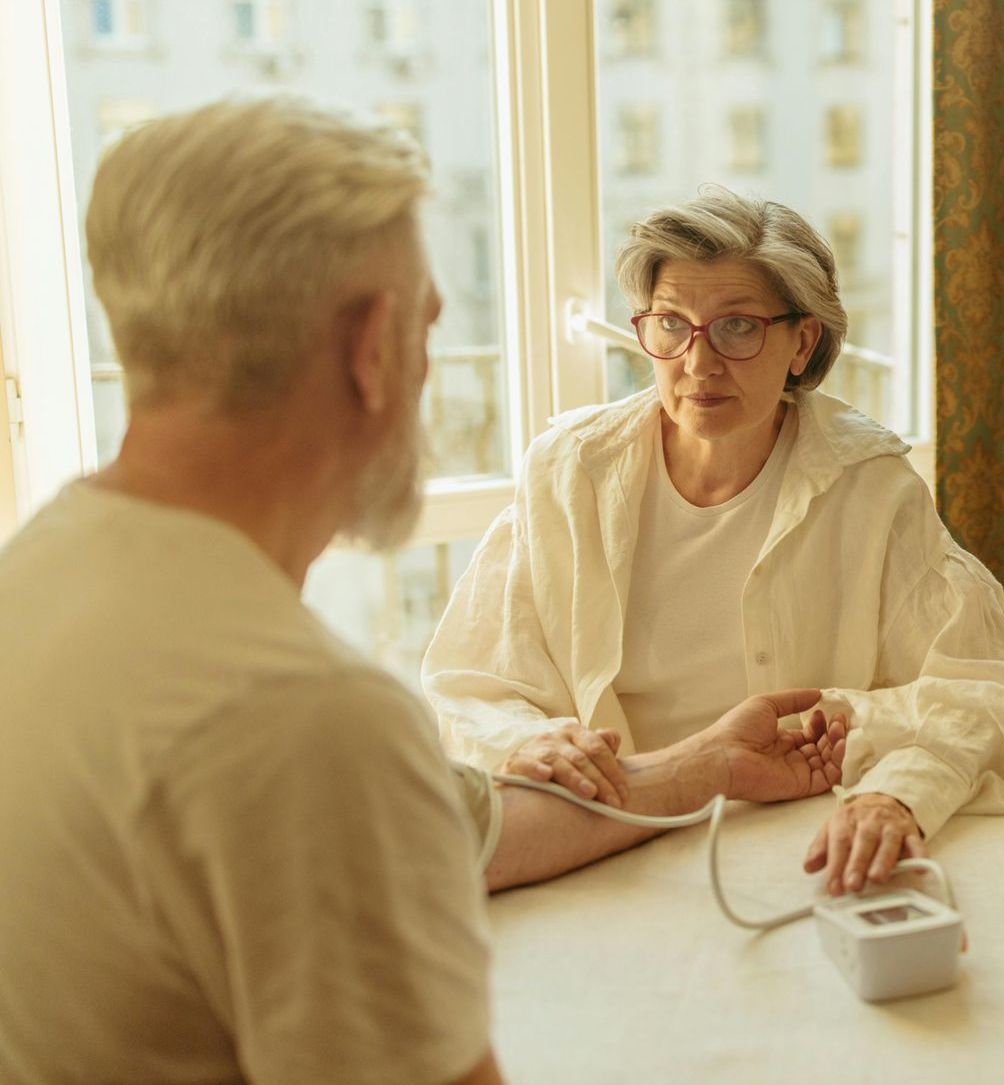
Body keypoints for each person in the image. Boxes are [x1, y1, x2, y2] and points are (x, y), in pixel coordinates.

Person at [0, 96, 847, 1085]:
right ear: (372, 348)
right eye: (430, 325)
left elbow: (458, 827)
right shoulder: (307, 721)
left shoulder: (37, 574)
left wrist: (696, 764)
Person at [424, 187, 1004, 898]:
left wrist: (896, 791)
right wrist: (525, 740)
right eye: (671, 325)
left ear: (803, 342)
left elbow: (996, 689)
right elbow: (469, 682)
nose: (698, 364)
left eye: (736, 327)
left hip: (795, 851)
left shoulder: (872, 488)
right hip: (602, 843)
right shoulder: (569, 470)